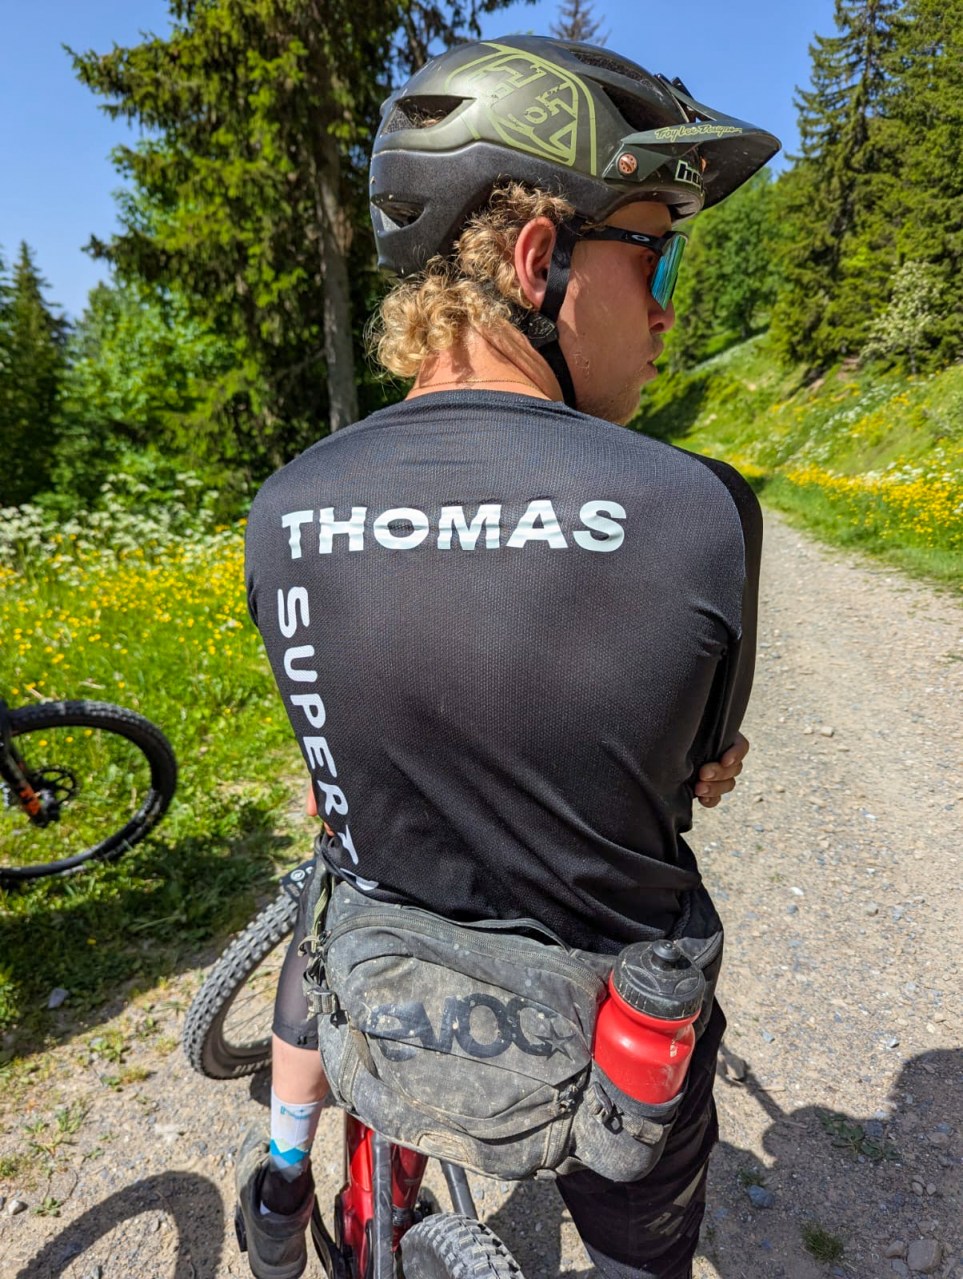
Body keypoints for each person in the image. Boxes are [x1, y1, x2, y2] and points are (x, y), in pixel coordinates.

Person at [236, 34, 778, 1279]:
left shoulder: (285, 507)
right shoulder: (701, 509)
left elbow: (332, 751)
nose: (667, 304)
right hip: (616, 1045)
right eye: (656, 249)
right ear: (539, 258)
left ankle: (283, 1176)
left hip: (390, 994)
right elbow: (703, 766)